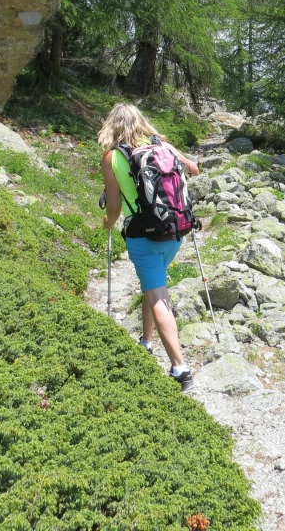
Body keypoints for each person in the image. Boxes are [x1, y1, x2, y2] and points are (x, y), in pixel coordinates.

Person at [98, 103, 200, 391]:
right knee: (153, 285)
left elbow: (114, 207)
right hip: (174, 230)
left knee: (157, 295)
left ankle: (180, 369)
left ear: (111, 126)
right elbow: (193, 169)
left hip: (143, 235)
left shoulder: (113, 157)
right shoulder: (162, 146)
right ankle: (146, 340)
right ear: (141, 121)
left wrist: (107, 223)